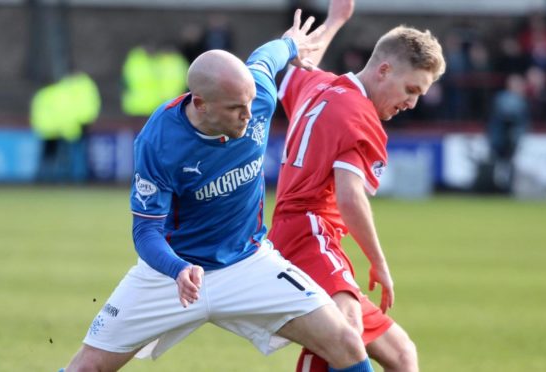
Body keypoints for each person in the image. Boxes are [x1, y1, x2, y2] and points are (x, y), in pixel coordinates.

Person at [61, 8, 375, 372]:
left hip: (248, 262)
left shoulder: (257, 97)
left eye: (250, 103)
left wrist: (291, 43)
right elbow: (145, 230)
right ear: (201, 104)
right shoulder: (159, 141)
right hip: (172, 272)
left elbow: (267, 57)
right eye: (235, 108)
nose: (249, 114)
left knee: (347, 343)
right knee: (86, 367)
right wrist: (177, 269)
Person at [268, 24, 446, 372]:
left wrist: (335, 19)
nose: (411, 103)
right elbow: (350, 197)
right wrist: (379, 263)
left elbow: (298, 67)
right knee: (346, 327)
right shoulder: (361, 116)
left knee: (401, 354)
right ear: (384, 70)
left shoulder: (321, 85)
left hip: (300, 234)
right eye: (410, 89)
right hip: (308, 234)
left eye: (419, 95)